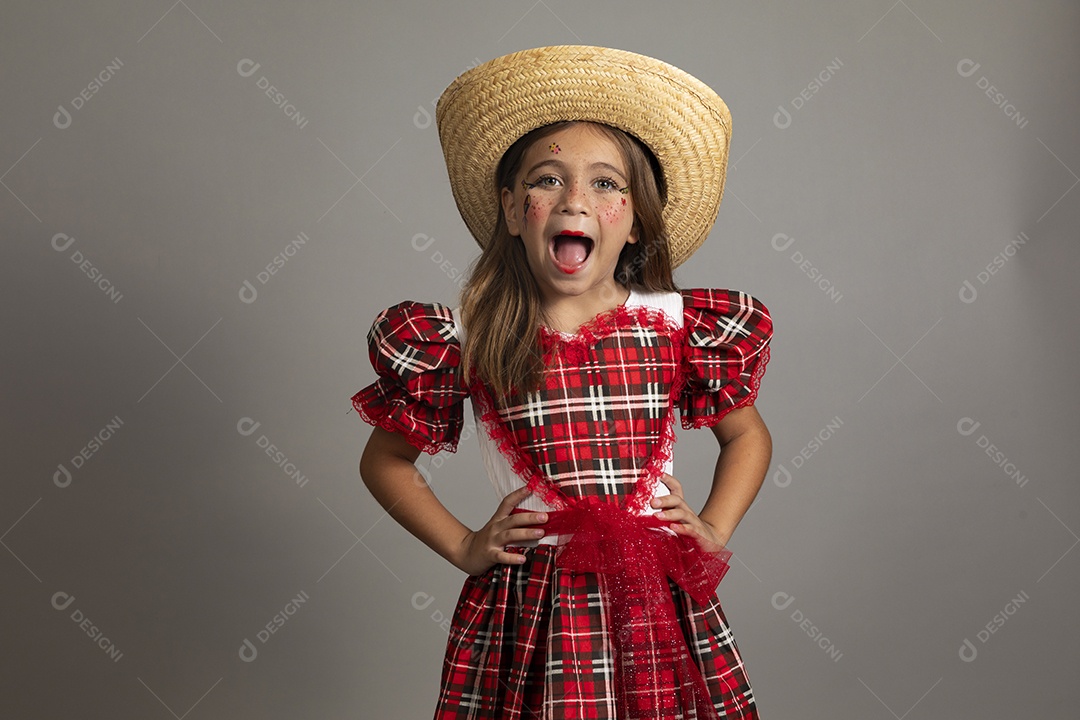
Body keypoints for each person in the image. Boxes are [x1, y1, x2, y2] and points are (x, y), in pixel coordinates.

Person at [353, 45, 774, 720]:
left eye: (607, 184)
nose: (574, 199)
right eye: (548, 180)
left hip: (654, 601)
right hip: (534, 606)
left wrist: (715, 527)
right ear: (515, 208)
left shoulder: (676, 325)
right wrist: (465, 545)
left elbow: (746, 435)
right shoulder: (466, 337)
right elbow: (386, 461)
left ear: (637, 221)